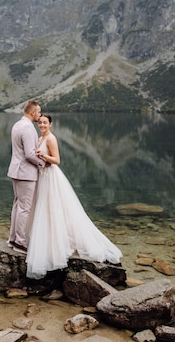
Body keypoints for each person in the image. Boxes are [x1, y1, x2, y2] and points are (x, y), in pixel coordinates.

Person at [26, 113, 122, 279]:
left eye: (45, 123)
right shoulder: (41, 138)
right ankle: (47, 240)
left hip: (51, 177)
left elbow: (56, 160)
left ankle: (56, 243)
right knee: (44, 208)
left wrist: (43, 156)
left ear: (51, 124)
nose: (41, 125)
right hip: (43, 176)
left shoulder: (51, 139)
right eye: (40, 122)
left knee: (53, 207)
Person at [7, 100, 43, 254]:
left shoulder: (17, 125)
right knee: (24, 208)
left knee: (17, 205)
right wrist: (43, 163)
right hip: (26, 173)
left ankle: (12, 238)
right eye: (39, 112)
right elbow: (29, 154)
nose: (40, 115)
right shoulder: (28, 128)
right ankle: (20, 242)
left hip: (16, 170)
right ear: (32, 112)